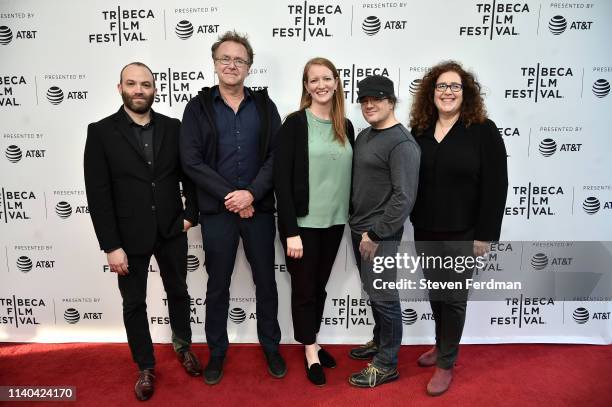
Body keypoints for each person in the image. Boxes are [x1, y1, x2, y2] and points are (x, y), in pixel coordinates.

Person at [84, 62, 201, 401]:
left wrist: (189, 215)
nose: (139, 90)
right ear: (120, 88)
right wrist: (111, 245)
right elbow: (98, 193)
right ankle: (145, 366)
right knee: (134, 302)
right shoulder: (101, 132)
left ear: (154, 89)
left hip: (171, 229)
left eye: (146, 84)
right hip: (127, 237)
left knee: (178, 291)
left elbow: (189, 175)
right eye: (132, 84)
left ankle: (183, 347)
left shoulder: (173, 128)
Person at [179, 31, 285, 384]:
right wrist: (233, 197)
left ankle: (271, 346)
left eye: (239, 60)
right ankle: (217, 354)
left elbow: (276, 158)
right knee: (217, 287)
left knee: (266, 283)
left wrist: (251, 195)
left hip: (258, 211)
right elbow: (191, 162)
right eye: (225, 58)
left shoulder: (265, 107)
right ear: (214, 63)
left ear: (249, 67)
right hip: (217, 214)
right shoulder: (197, 108)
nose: (231, 65)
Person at [409, 60, 508, 396]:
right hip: (425, 229)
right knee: (436, 295)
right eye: (441, 86)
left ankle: (446, 363)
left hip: (464, 232)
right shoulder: (419, 131)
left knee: (453, 299)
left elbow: (497, 186)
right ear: (431, 93)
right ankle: (441, 344)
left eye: (454, 86)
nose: (447, 92)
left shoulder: (483, 130)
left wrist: (485, 234)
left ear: (465, 93)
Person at [274, 57, 354, 386]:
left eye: (326, 78)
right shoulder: (294, 123)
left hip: (335, 224)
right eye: (313, 80)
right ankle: (309, 349)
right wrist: (290, 231)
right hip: (303, 226)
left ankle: (314, 340)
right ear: (306, 87)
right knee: (305, 289)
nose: (320, 85)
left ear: (336, 82)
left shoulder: (345, 126)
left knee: (318, 287)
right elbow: (281, 180)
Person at [348, 75, 420, 388]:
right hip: (360, 230)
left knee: (384, 297)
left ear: (391, 101)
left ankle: (387, 363)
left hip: (380, 235)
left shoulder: (402, 144)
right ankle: (380, 341)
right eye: (364, 100)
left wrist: (376, 234)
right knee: (374, 293)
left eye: (376, 99)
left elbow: (404, 198)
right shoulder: (365, 136)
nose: (369, 105)